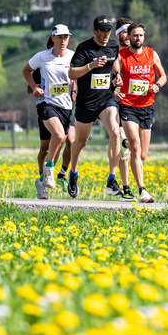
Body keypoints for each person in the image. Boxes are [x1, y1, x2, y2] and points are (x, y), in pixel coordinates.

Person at [67, 15, 124, 199]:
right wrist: (90, 66)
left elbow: (115, 61)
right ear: (95, 30)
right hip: (86, 102)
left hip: (106, 98)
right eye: (103, 31)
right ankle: (73, 173)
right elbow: (71, 73)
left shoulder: (113, 46)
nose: (106, 34)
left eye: (109, 31)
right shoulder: (84, 48)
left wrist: (117, 75)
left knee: (115, 132)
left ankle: (112, 179)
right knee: (81, 142)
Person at [112, 23, 167, 203]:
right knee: (136, 147)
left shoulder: (151, 54)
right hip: (128, 105)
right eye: (135, 35)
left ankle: (124, 144)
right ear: (129, 37)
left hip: (147, 106)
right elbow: (113, 78)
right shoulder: (121, 56)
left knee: (142, 154)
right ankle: (142, 190)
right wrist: (115, 88)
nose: (138, 38)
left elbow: (163, 76)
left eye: (141, 35)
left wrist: (157, 86)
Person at [22, 25, 75, 200]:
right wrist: (34, 87)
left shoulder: (73, 56)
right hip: (46, 104)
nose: (63, 40)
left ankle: (44, 180)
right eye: (59, 37)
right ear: (53, 38)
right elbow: (26, 70)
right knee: (53, 141)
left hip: (66, 107)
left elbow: (77, 77)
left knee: (60, 142)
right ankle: (47, 169)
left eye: (65, 37)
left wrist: (75, 90)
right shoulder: (42, 56)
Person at [113, 17, 135, 200]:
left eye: (131, 32)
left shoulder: (137, 54)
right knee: (124, 146)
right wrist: (113, 92)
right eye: (126, 32)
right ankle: (125, 187)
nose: (128, 36)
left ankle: (124, 186)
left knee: (137, 151)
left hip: (135, 105)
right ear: (118, 34)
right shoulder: (112, 54)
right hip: (115, 105)